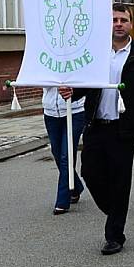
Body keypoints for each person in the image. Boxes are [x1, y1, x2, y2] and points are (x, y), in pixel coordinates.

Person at [59, 5, 134, 256]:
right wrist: (73, 91)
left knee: (120, 180)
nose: (118, 24)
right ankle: (113, 209)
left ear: (131, 24)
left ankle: (114, 234)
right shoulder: (96, 53)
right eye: (114, 19)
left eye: (123, 20)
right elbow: (86, 84)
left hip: (124, 129)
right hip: (95, 124)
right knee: (90, 173)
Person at [42, 87, 86, 215]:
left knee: (66, 156)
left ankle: (62, 201)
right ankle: (76, 187)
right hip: (51, 112)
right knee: (57, 153)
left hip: (74, 111)